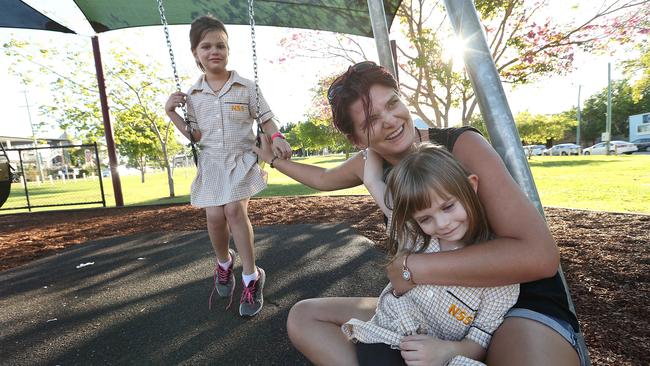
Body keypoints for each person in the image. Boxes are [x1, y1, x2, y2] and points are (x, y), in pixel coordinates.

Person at [254, 61, 584, 365]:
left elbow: (539, 256)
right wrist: (275, 160)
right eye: (371, 121)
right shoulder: (371, 164)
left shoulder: (460, 146)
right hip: (434, 303)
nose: (390, 121)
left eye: (392, 103)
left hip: (513, 301)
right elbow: (323, 178)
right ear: (357, 139)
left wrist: (413, 267)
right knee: (304, 317)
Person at [342, 144, 519, 366]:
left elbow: (479, 340)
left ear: (471, 186)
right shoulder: (413, 235)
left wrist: (446, 351)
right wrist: (374, 146)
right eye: (426, 218)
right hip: (388, 340)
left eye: (448, 207)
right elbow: (375, 183)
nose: (443, 223)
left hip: (441, 355)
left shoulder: (499, 276)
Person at [165, 16, 291, 317]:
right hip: (211, 163)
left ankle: (251, 276)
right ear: (195, 53)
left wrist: (275, 136)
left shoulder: (246, 87)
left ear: (228, 49)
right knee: (214, 217)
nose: (214, 51)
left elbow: (265, 119)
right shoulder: (192, 95)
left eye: (220, 45)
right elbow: (195, 136)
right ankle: (224, 263)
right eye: (206, 46)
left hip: (241, 159)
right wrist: (172, 113)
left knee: (234, 210)